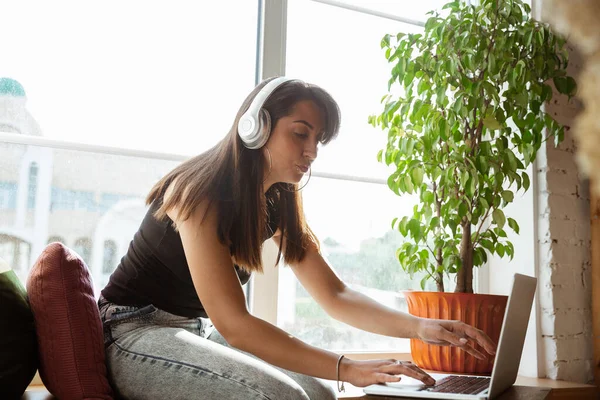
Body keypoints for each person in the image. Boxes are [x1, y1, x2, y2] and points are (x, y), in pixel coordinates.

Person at [98, 77, 496, 400]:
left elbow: (335, 295)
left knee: (319, 393)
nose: (312, 152)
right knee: (281, 395)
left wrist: (422, 328)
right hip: (134, 332)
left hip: (194, 330)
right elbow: (235, 324)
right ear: (256, 127)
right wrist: (348, 367)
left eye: (317, 140)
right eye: (301, 134)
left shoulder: (279, 200)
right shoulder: (198, 195)